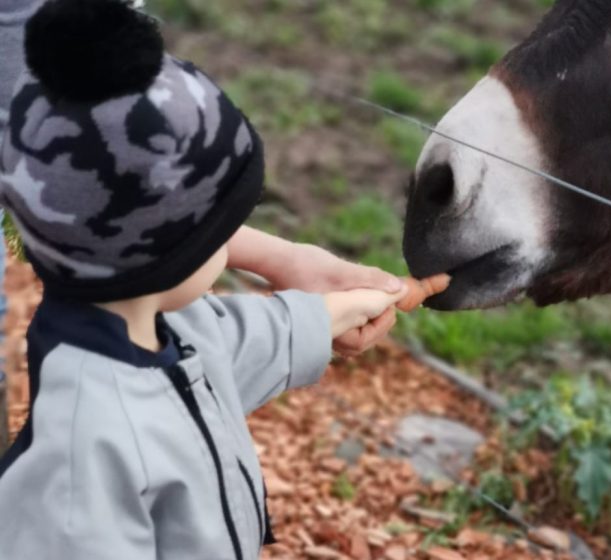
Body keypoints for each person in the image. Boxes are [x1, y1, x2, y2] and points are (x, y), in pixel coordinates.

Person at [0, 0, 409, 557]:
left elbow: (245, 341)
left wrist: (336, 313)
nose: (235, 242)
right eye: (225, 229)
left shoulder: (167, 326)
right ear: (166, 257)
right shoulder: (83, 457)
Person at [0, 0, 402, 360]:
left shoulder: (149, 342)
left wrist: (301, 290)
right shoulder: (96, 435)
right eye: (217, 233)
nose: (223, 243)